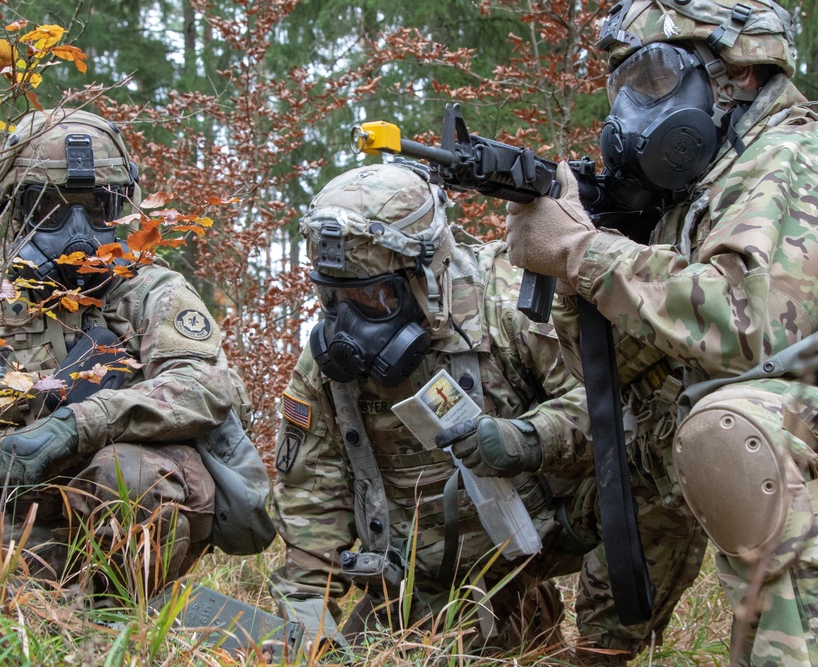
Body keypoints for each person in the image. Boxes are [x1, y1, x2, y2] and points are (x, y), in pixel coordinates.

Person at [268, 162, 702, 663]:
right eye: (332, 296)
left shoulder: (509, 304)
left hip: (540, 534)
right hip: (418, 577)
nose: (348, 322)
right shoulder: (325, 370)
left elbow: (610, 406)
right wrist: (305, 617)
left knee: (664, 467)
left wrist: (530, 437)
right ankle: (495, 622)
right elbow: (311, 495)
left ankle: (600, 652)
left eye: (373, 296)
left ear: (427, 272)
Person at [498, 1, 818, 664]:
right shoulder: (711, 185)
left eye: (652, 82)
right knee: (653, 431)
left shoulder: (789, 157)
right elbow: (622, 367)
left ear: (738, 75)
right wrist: (577, 273)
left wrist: (586, 255)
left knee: (733, 427)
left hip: (776, 427)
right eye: (623, 90)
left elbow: (746, 323)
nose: (626, 116)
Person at [0, 107, 273, 603]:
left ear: (125, 207)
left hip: (115, 529)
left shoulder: (151, 292)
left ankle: (121, 607)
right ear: (15, 209)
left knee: (134, 473)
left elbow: (207, 388)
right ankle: (53, 604)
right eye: (52, 209)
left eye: (100, 207)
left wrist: (78, 423)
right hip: (10, 524)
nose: (79, 231)